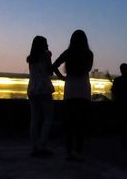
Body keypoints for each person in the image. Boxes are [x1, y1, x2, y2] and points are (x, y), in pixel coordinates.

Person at [53, 30, 94, 161]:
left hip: (70, 90)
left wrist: (62, 78)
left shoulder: (68, 53)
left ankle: (69, 151)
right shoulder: (89, 54)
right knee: (81, 122)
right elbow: (87, 69)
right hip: (83, 90)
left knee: (69, 122)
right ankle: (78, 151)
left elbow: (54, 65)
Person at [27, 36, 55, 157]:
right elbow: (49, 71)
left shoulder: (31, 58)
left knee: (34, 119)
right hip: (44, 88)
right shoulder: (46, 54)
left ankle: (34, 146)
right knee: (48, 117)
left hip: (32, 88)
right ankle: (42, 144)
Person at [111, 63, 127, 147]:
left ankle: (122, 139)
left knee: (120, 122)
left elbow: (113, 92)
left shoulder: (117, 80)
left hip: (119, 104)